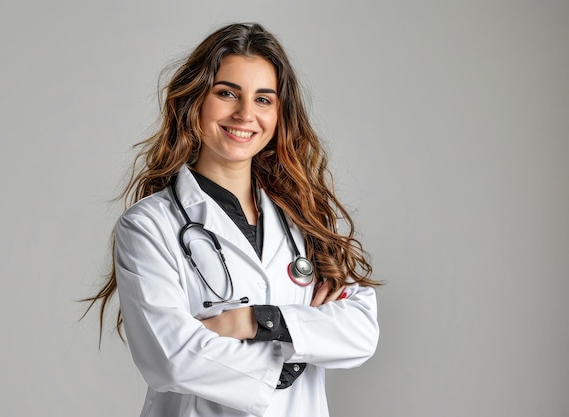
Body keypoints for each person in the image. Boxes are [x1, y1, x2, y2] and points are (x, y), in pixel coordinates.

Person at [83, 22, 380, 417]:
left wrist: (256, 322)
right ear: (195, 103)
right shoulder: (148, 226)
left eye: (263, 99)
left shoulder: (306, 217)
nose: (244, 114)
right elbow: (171, 358)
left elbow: (360, 330)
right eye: (227, 94)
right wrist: (295, 351)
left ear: (279, 114)